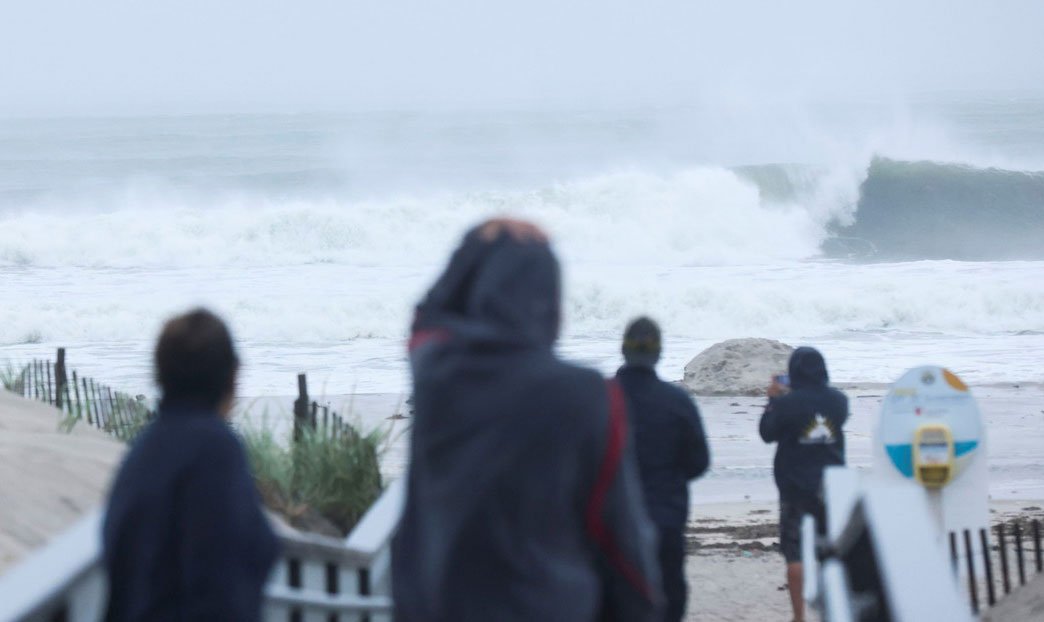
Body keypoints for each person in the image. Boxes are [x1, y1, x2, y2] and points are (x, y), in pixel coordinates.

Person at [392, 218, 663, 622]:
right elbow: (617, 534)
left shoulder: (439, 374)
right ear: (552, 305)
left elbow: (429, 314)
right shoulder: (587, 394)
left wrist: (478, 242)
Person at [102, 309, 278, 621]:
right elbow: (221, 579)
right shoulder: (215, 449)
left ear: (160, 375)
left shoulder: (145, 449)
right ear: (232, 375)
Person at [615, 317, 710, 622]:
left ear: (622, 350)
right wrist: (669, 478)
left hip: (611, 522)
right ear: (659, 353)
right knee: (669, 598)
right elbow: (699, 462)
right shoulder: (677, 402)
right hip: (664, 517)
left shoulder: (598, 398)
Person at [759, 347, 848, 622]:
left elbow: (767, 433)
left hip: (795, 485)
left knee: (795, 553)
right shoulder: (839, 401)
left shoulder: (788, 404)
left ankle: (799, 616)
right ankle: (831, 612)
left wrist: (773, 400)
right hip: (831, 486)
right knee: (828, 551)